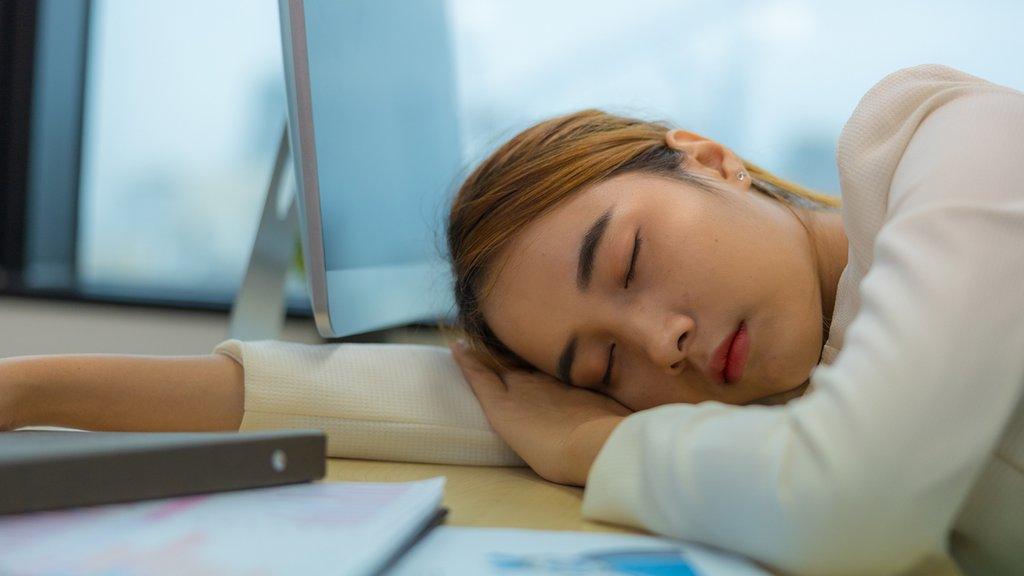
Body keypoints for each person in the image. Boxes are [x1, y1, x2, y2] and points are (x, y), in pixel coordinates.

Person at [1, 64, 1021, 575]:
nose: (660, 345)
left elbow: (851, 504)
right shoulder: (793, 386)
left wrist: (595, 450)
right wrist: (27, 390)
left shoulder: (946, 145)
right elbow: (430, 401)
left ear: (707, 156)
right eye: (601, 366)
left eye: (628, 258)